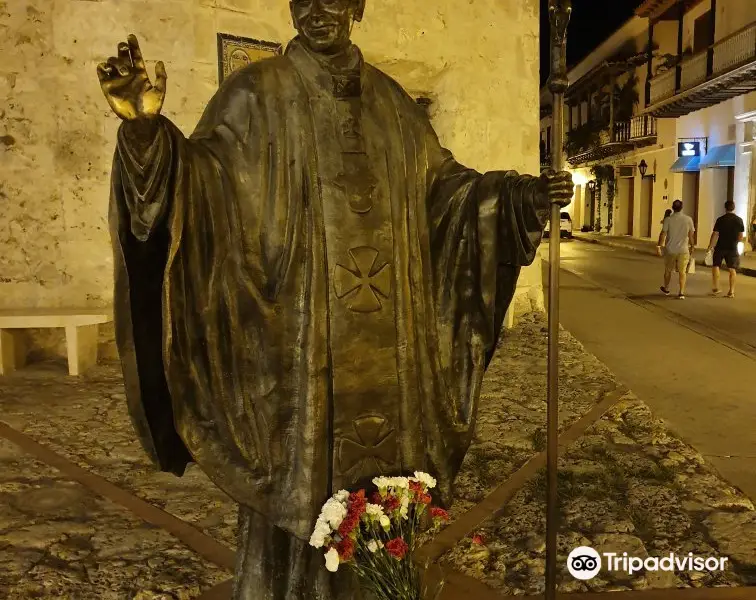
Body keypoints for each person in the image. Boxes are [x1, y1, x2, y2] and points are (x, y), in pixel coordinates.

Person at [96, 1, 573, 598]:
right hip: (298, 349)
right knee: (296, 490)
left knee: (384, 486)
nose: (317, 11)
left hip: (386, 356)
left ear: (356, 6)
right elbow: (201, 182)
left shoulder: (392, 104)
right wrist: (145, 133)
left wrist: (519, 199)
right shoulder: (255, 93)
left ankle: (382, 583)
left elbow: (447, 191)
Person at [657, 199, 695, 299]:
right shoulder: (688, 219)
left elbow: (663, 233)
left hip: (670, 249)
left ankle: (666, 288)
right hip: (683, 249)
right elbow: (691, 235)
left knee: (668, 270)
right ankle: (681, 292)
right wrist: (692, 246)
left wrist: (659, 246)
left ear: (673, 208)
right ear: (682, 208)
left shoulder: (668, 220)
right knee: (682, 272)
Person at [707, 200, 745, 298]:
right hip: (732, 247)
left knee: (716, 266)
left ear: (725, 208)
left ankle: (716, 287)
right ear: (734, 208)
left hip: (720, 246)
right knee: (732, 269)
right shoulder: (739, 220)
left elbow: (715, 234)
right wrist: (737, 243)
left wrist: (710, 246)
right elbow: (741, 235)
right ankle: (731, 291)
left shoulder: (720, 219)